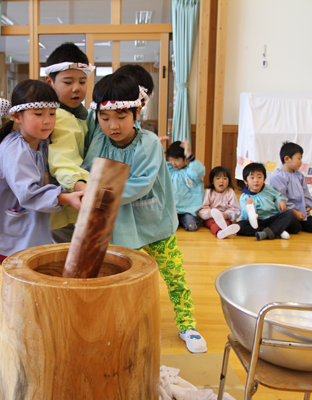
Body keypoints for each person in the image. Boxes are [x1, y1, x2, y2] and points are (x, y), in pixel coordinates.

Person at [83, 73, 207, 353]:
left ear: (137, 112)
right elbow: (89, 169)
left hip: (155, 223)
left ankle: (187, 324)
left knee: (174, 274)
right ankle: (121, 325)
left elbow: (139, 184)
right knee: (122, 278)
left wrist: (95, 195)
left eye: (121, 116)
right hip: (119, 227)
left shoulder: (148, 142)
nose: (112, 125)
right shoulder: (100, 141)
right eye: (104, 117)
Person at [0, 80, 83, 265]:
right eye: (38, 114)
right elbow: (29, 193)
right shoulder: (15, 150)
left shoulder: (41, 141)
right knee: (20, 277)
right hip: (6, 231)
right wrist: (66, 198)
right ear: (17, 116)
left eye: (52, 114)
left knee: (28, 273)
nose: (47, 120)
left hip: (23, 225)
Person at [44, 43, 94, 243]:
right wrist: (81, 185)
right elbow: (61, 160)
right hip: (65, 204)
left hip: (64, 203)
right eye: (68, 82)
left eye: (82, 81)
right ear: (50, 81)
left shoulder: (77, 115)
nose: (77, 88)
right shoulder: (61, 117)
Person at [238, 163, 301, 241]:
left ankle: (270, 231)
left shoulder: (268, 189)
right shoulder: (244, 197)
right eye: (252, 178)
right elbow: (245, 217)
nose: (256, 180)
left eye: (259, 177)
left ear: (264, 179)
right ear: (245, 181)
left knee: (291, 216)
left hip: (272, 218)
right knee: (239, 226)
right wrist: (248, 207)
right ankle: (275, 231)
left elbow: (277, 195)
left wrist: (280, 200)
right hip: (258, 223)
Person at [268, 142, 312, 233]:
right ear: (287, 159)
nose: (301, 162)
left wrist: (307, 207)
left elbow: (306, 193)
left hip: (301, 210)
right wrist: (294, 212)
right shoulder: (278, 176)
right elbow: (281, 198)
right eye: (298, 158)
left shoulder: (299, 176)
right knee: (295, 228)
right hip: (287, 211)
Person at [166, 140, 205, 232]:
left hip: (188, 210)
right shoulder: (169, 169)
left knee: (192, 227)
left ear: (185, 159)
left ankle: (185, 221)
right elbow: (155, 164)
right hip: (171, 209)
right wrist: (156, 149)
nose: (173, 163)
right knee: (165, 227)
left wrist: (189, 155)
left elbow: (199, 171)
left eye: (176, 160)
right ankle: (177, 221)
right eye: (171, 159)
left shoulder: (190, 171)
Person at [198, 166, 241, 239]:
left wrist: (228, 215)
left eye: (225, 178)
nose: (222, 181)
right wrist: (211, 214)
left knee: (226, 222)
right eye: (218, 178)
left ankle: (225, 228)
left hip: (225, 218)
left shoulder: (230, 192)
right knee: (213, 224)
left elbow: (235, 208)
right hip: (210, 218)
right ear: (212, 181)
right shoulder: (209, 192)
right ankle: (219, 232)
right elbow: (202, 208)